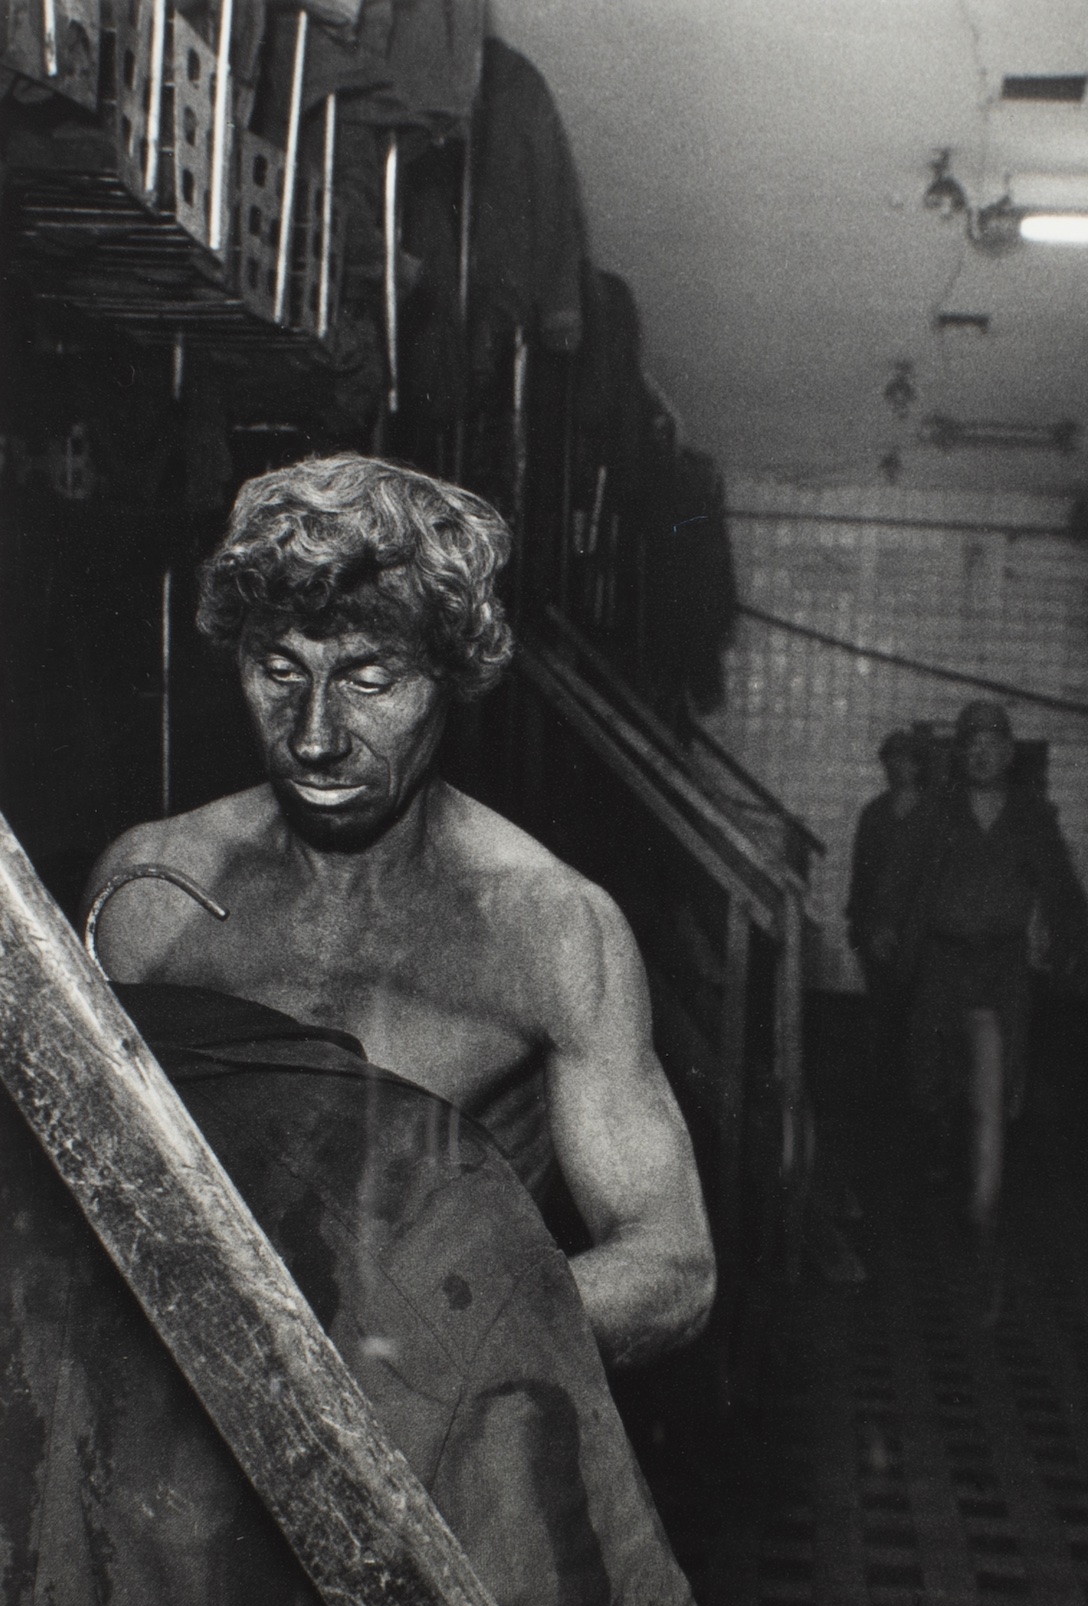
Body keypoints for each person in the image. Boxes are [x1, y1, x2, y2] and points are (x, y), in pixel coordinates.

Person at [86, 453, 713, 1371]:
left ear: (452, 676)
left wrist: (435, 1353)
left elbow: (672, 1264)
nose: (313, 736)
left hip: (428, 1435)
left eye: (371, 680)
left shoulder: (551, 927)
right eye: (278, 671)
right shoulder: (149, 889)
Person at [886, 701, 1088, 1294]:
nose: (982, 752)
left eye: (993, 743)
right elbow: (899, 875)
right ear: (960, 753)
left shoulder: (1033, 816)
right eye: (971, 743)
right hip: (943, 961)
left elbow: (1061, 887)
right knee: (929, 1068)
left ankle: (985, 1192)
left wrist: (1064, 935)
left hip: (1003, 965)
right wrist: (884, 923)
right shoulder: (935, 812)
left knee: (1000, 1077)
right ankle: (939, 1148)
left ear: (1008, 752)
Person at [846, 727, 927, 1089]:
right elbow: (861, 874)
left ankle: (917, 1089)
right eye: (889, 758)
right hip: (877, 932)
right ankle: (879, 1090)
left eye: (904, 758)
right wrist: (861, 926)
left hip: (921, 935)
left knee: (919, 1014)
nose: (896, 766)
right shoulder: (873, 814)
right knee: (881, 1012)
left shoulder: (936, 816)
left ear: (918, 764)